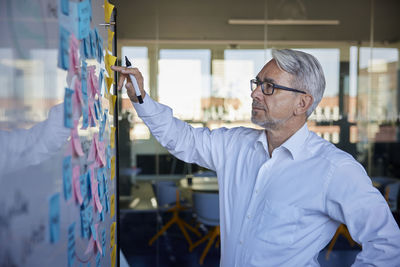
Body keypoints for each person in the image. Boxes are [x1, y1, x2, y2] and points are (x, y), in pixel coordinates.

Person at [111, 49, 400, 266]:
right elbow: (181, 138)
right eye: (257, 82)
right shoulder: (235, 145)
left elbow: (387, 245)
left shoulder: (334, 169)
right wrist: (140, 99)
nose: (255, 93)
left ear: (303, 102)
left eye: (269, 86)